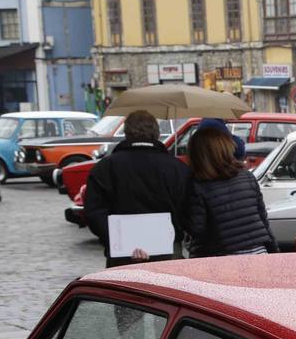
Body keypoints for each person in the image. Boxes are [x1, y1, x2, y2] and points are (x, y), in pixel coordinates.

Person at [84, 109, 191, 267]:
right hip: (168, 253)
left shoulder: (105, 168)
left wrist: (114, 239)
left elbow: (94, 212)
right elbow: (188, 210)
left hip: (121, 255)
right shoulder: (177, 169)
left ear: (126, 132)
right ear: (156, 133)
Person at [185, 126, 279, 257]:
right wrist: (274, 252)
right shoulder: (247, 177)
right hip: (258, 253)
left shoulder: (198, 185)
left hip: (222, 259)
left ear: (197, 154)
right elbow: (263, 219)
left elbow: (196, 229)